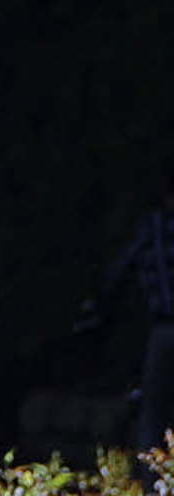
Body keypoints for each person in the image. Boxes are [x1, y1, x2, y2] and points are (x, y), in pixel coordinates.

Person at [75, 171, 174, 457]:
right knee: (154, 408)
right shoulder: (155, 228)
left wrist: (97, 307)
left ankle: (153, 485)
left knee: (153, 412)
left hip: (162, 327)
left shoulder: (151, 227)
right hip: (161, 327)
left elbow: (119, 271)